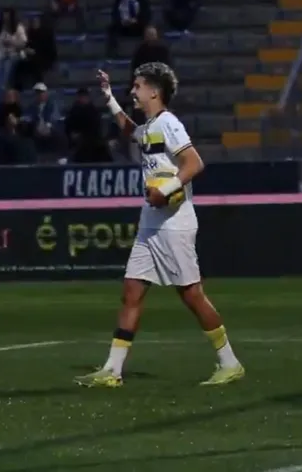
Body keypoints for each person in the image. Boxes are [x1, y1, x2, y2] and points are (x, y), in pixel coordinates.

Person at [74, 63, 245, 388]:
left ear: (154, 92)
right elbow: (130, 130)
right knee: (131, 291)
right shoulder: (151, 126)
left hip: (174, 223)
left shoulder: (169, 123)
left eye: (137, 86)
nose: (133, 91)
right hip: (151, 222)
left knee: (192, 295)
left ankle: (230, 362)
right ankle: (113, 370)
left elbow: (194, 163)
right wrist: (108, 97)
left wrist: (165, 190)